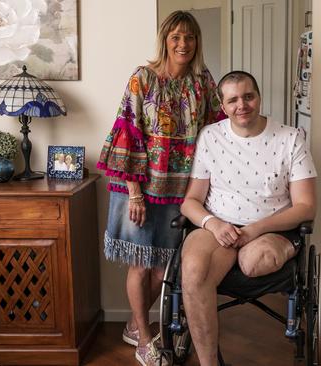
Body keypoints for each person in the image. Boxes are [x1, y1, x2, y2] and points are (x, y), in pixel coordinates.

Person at [96, 10, 224, 366]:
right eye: (176, 37)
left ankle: (135, 325)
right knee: (140, 265)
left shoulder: (203, 81)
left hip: (179, 191)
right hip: (137, 186)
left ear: (197, 43)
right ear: (165, 40)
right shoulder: (143, 79)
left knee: (163, 270)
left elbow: (220, 127)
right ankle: (144, 340)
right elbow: (128, 132)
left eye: (190, 37)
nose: (183, 44)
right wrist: (135, 193)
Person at [180, 71, 317, 366]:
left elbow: (306, 207)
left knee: (252, 262)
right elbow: (190, 203)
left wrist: (255, 230)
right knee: (192, 271)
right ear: (223, 104)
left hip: (272, 228)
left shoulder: (290, 138)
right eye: (232, 100)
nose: (241, 105)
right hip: (219, 226)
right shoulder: (210, 137)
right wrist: (213, 224)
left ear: (259, 97)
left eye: (248, 96)